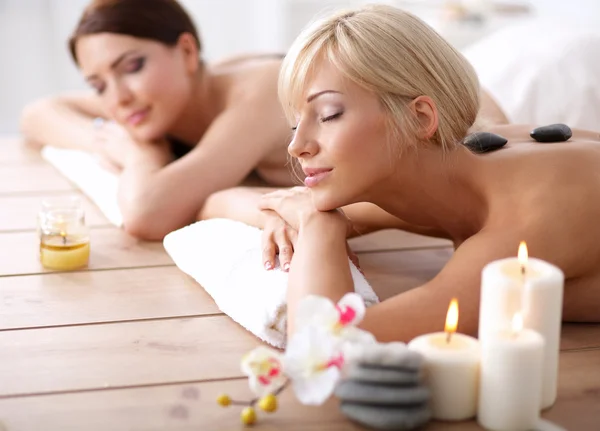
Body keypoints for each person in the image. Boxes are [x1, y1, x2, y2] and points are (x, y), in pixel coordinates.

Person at [203, 4, 600, 341]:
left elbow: (327, 342)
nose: (297, 146)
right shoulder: (445, 174)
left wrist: (317, 225)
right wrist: (299, 213)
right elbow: (216, 201)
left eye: (328, 115)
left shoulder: (527, 213)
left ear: (419, 118)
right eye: (295, 125)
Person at [20, 0, 508, 242]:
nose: (118, 98)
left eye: (132, 67)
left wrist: (137, 150)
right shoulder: (151, 106)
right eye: (98, 84)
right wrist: (110, 133)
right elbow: (37, 112)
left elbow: (148, 212)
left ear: (186, 50)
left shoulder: (254, 91)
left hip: (468, 134)